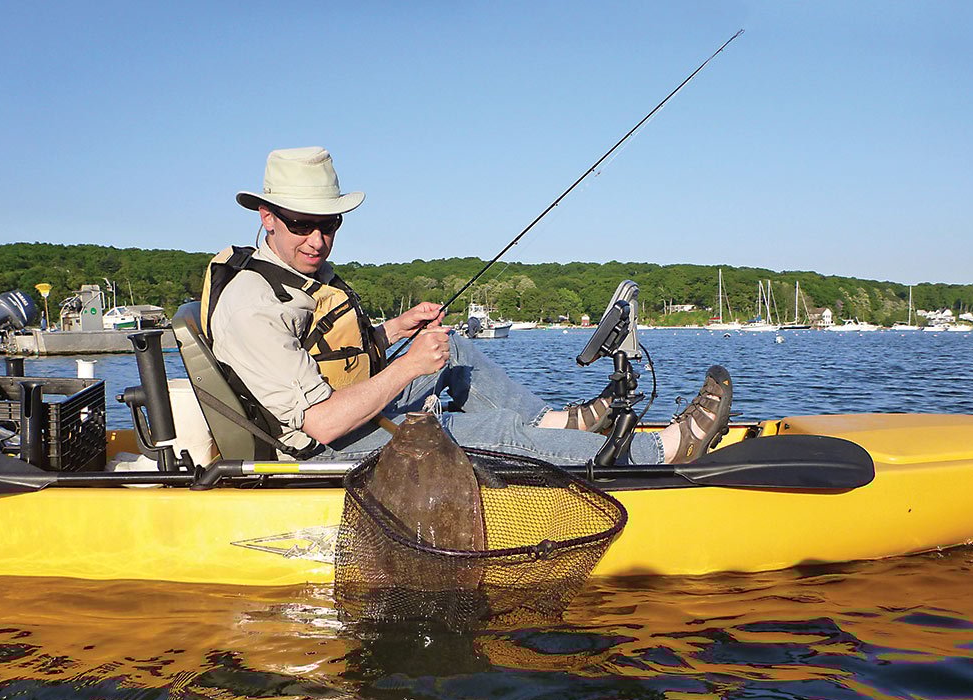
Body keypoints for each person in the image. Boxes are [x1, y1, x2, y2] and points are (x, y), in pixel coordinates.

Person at [208, 146, 732, 467]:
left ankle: (556, 427)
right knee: (481, 434)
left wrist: (397, 328)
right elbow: (319, 424)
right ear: (266, 215)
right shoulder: (252, 306)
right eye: (302, 223)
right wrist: (412, 366)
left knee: (453, 349)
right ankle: (659, 453)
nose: (318, 239)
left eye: (330, 223)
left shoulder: (294, 273)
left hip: (342, 412)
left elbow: (330, 349)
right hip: (327, 446)